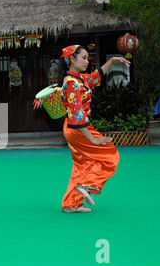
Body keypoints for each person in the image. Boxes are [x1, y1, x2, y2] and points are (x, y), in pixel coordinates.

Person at [50, 45, 129, 213]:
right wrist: (93, 139)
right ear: (72, 59)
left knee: (82, 164)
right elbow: (76, 114)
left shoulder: (79, 79)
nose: (87, 61)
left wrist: (112, 61)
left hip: (75, 127)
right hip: (79, 127)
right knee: (110, 155)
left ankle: (71, 203)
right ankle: (89, 185)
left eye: (88, 58)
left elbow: (96, 76)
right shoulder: (71, 83)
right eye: (84, 58)